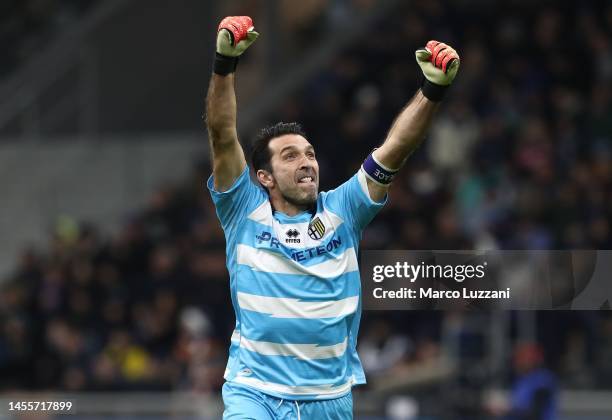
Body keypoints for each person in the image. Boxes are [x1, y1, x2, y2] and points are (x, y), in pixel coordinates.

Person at [205, 15, 460, 419]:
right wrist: (224, 64)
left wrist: (433, 90)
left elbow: (396, 148)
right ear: (264, 177)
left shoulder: (344, 209)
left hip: (329, 400)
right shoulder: (243, 210)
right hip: (254, 393)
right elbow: (222, 135)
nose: (306, 162)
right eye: (290, 156)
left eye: (309, 153)